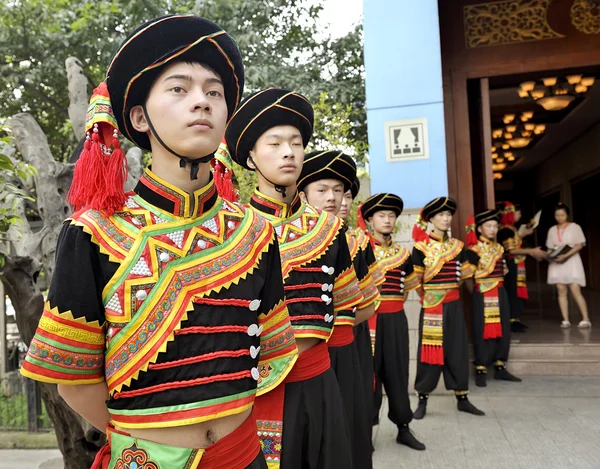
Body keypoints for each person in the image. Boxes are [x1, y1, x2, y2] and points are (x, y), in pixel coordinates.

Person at [21, 15, 299, 468]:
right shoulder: (93, 233)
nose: (202, 102)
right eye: (179, 88)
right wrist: (149, 444)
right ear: (138, 117)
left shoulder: (255, 233)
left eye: (214, 92)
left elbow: (271, 352)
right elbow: (72, 379)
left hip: (244, 452)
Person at [225, 88, 363, 469]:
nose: (289, 152)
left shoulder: (329, 230)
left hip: (320, 380)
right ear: (250, 157)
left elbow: (345, 312)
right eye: (275, 143)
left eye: (296, 143)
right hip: (253, 389)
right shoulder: (228, 230)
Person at [297, 150, 379, 468]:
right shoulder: (275, 234)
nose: (333, 199)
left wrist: (337, 325)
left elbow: (366, 302)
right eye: (322, 190)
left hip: (344, 343)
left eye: (339, 191)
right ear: (303, 194)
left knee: (348, 423)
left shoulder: (353, 239)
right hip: (295, 355)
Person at [360, 193, 426, 450]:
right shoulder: (360, 250)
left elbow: (408, 288)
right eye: (381, 216)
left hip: (395, 319)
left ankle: (403, 427)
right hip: (368, 321)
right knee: (369, 376)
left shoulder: (403, 254)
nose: (387, 220)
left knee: (398, 372)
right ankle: (364, 430)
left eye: (391, 216)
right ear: (369, 220)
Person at [411, 197, 485, 419]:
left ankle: (462, 398)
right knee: (429, 352)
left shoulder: (458, 247)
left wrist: (449, 291)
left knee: (457, 350)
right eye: (440, 215)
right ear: (431, 218)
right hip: (432, 306)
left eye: (448, 215)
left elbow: (464, 275)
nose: (446, 218)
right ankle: (423, 398)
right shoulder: (420, 248)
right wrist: (431, 298)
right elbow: (416, 281)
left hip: (453, 305)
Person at [339, 176, 385, 454]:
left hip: (353, 328)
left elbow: (371, 297)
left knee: (356, 396)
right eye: (329, 191)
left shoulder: (359, 242)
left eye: (346, 196)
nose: (341, 202)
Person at [465, 209, 521, 387]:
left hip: (500, 291)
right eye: (488, 226)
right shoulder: (473, 250)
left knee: (503, 326)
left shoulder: (499, 248)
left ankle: (500, 366)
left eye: (495, 226)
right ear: (479, 229)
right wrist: (476, 292)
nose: (492, 229)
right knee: (483, 328)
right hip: (482, 292)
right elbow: (467, 277)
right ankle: (481, 367)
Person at [497, 201, 546, 333]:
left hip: (517, 264)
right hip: (510, 265)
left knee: (517, 291)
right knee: (512, 291)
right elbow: (511, 250)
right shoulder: (505, 230)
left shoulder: (511, 229)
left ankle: (516, 319)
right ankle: (511, 320)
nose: (520, 215)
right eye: (518, 212)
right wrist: (532, 251)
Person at [546, 202, 591, 329]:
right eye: (557, 215)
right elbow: (550, 248)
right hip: (557, 262)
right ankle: (565, 319)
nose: (559, 217)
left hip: (571, 260)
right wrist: (549, 256)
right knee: (561, 290)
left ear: (567, 215)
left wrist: (566, 255)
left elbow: (579, 244)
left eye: (562, 215)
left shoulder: (575, 227)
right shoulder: (552, 230)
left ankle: (585, 318)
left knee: (575, 290)